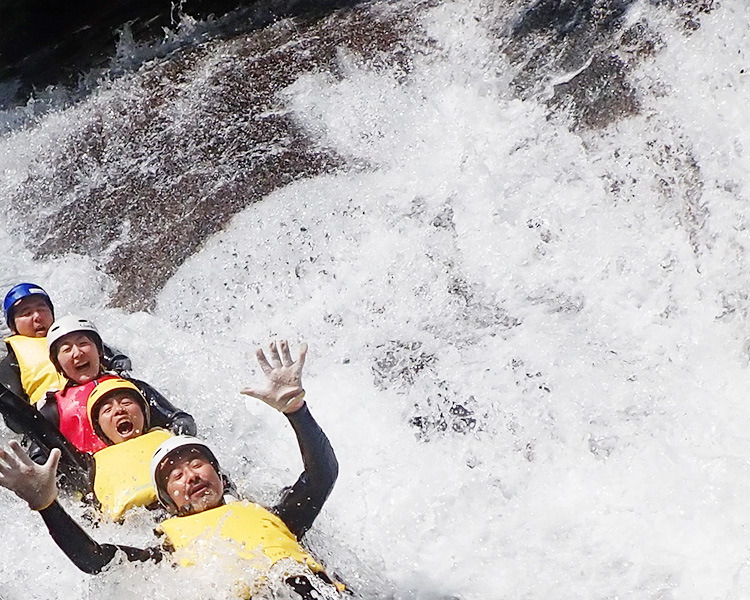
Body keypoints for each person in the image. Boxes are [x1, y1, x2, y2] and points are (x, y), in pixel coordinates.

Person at [0, 341, 340, 599]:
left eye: (197, 464)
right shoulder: (169, 548)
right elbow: (96, 559)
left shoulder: (274, 517)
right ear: (167, 501)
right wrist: (47, 505)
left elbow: (322, 473)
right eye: (175, 476)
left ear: (222, 480)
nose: (190, 475)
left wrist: (297, 411)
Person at [35, 314, 195, 459]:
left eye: (83, 343)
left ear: (99, 351)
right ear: (58, 364)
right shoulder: (52, 409)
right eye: (67, 349)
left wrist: (181, 432)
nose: (77, 353)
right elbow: (38, 457)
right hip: (100, 484)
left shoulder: (132, 387)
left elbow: (179, 419)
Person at [0, 283, 130, 432]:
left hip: (103, 405)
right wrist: (40, 410)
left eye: (42, 309)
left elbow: (121, 362)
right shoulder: (10, 363)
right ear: (12, 326)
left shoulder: (78, 337)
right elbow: (15, 421)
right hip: (56, 422)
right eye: (26, 313)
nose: (37, 317)